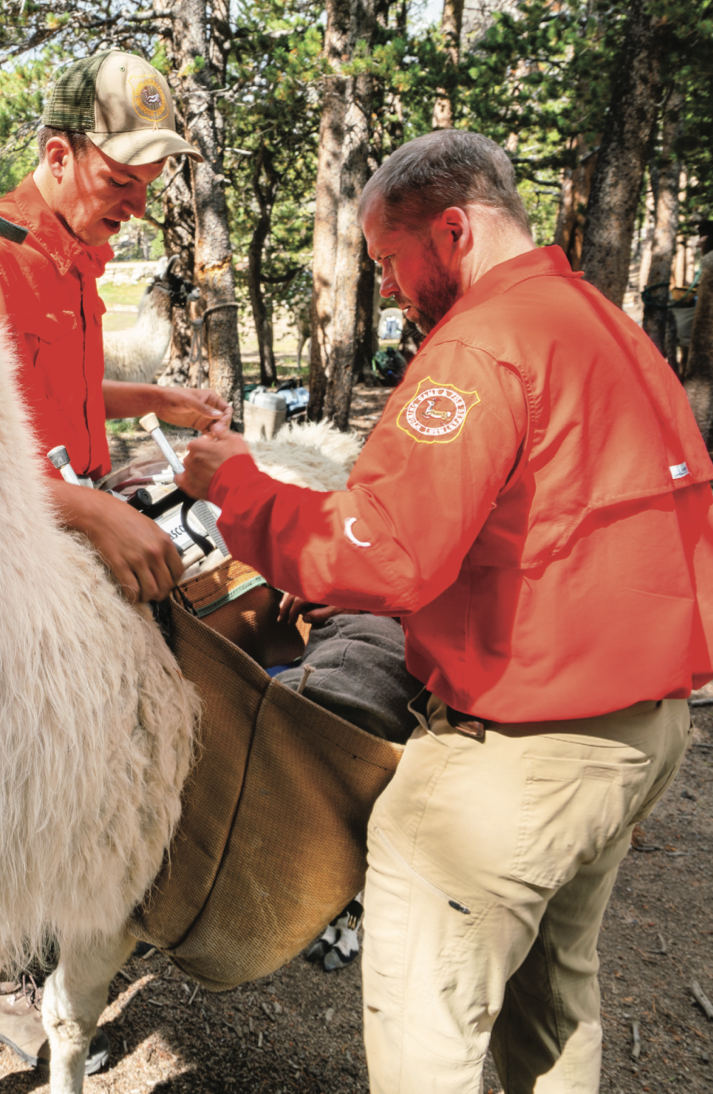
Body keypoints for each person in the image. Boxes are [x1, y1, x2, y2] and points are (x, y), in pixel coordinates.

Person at [177, 129, 712, 1093]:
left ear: (454, 232)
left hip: (524, 752)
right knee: (553, 994)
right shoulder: (600, 322)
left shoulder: (481, 344)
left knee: (427, 1014)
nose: (386, 287)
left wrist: (238, 488)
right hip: (642, 728)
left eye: (390, 259)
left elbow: (386, 552)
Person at [0, 51, 230, 603]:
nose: (138, 206)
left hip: (82, 506)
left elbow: (56, 395)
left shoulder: (76, 250)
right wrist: (92, 511)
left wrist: (162, 400)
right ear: (58, 157)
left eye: (147, 184)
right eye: (119, 181)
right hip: (18, 542)